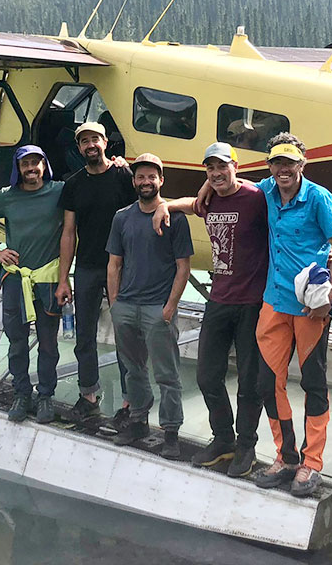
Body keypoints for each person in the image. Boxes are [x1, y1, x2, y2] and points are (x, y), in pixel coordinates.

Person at [156, 142, 267, 477]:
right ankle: (224, 438)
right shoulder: (210, 200)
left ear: (236, 166)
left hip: (252, 302)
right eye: (210, 169)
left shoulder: (256, 197)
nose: (217, 174)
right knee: (207, 376)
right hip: (219, 300)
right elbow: (192, 205)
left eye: (223, 167)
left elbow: (281, 192)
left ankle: (246, 444)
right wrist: (167, 206)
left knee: (249, 381)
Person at [246, 133, 332, 497]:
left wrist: (328, 299)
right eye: (277, 162)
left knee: (313, 384)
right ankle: (286, 456)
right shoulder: (267, 191)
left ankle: (312, 463)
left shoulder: (319, 198)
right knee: (266, 383)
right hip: (274, 303)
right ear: (270, 166)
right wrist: (182, 201)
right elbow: (231, 184)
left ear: (301, 165)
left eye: (290, 163)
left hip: (309, 308)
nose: (283, 169)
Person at [105, 153, 193, 459]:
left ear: (161, 181)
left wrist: (170, 307)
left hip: (158, 308)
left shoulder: (175, 218)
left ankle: (170, 432)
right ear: (134, 181)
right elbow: (114, 264)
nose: (146, 182)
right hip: (127, 306)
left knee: (167, 375)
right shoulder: (121, 217)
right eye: (140, 177)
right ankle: (138, 421)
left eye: (151, 177)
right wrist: (115, 304)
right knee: (133, 369)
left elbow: (184, 268)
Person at [0, 145, 65, 424]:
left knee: (49, 342)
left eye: (36, 162)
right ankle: (21, 393)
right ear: (18, 168)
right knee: (17, 340)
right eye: (25, 164)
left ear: (44, 165)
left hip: (48, 278)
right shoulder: (6, 196)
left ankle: (46, 395)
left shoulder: (59, 191)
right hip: (16, 278)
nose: (31, 169)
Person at [57, 122, 136, 421]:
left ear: (105, 142)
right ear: (79, 148)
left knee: (126, 335)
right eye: (84, 142)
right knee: (84, 335)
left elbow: (141, 213)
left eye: (95, 139)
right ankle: (88, 395)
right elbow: (68, 232)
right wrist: (64, 279)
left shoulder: (123, 175)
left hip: (123, 266)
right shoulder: (74, 184)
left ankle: (130, 402)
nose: (90, 145)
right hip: (88, 267)